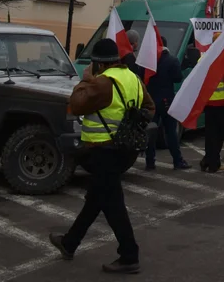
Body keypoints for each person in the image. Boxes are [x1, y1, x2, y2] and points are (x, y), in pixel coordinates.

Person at [50, 38, 152, 273]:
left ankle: (129, 256)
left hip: (104, 150)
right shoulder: (133, 78)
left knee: (113, 205)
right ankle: (69, 242)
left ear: (99, 64)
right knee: (96, 199)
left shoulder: (103, 83)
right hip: (125, 149)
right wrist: (131, 120)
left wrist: (85, 79)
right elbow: (150, 107)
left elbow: (76, 104)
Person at [143, 42, 189, 171]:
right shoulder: (172, 60)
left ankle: (150, 162)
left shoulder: (146, 61)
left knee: (151, 131)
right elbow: (178, 78)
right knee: (171, 131)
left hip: (150, 100)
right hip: (166, 101)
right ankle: (177, 161)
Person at [200, 52, 224, 173]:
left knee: (210, 135)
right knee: (220, 135)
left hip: (208, 104)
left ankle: (209, 161)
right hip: (223, 104)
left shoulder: (204, 60)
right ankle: (213, 164)